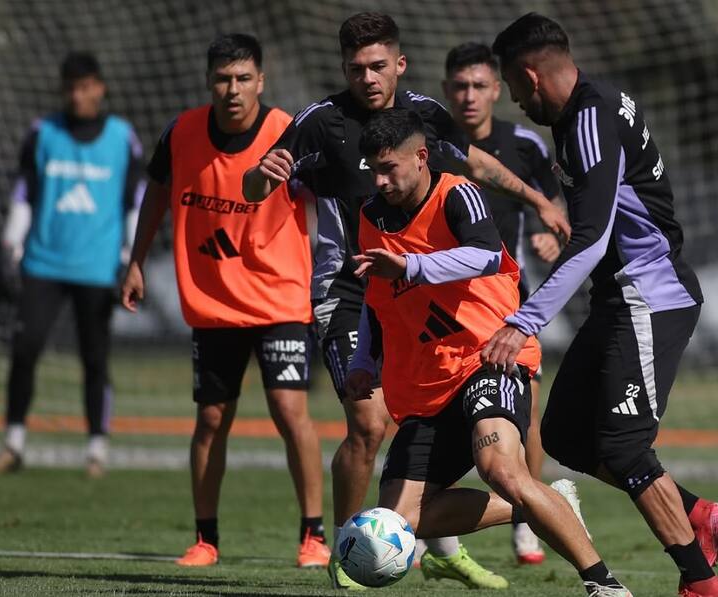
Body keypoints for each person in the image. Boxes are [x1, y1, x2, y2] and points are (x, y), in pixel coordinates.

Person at [243, 12, 570, 591]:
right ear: (343, 69)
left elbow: (474, 162)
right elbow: (259, 184)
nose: (366, 78)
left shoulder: (427, 116)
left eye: (376, 66)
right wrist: (258, 179)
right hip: (348, 292)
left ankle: (438, 546)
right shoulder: (318, 123)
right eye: (355, 68)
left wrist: (539, 200)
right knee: (369, 423)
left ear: (399, 64)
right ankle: (345, 545)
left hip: (419, 290)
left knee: (426, 421)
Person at [483, 13, 718, 597]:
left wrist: (524, 319)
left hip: (649, 295)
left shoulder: (589, 117)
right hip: (618, 297)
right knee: (568, 435)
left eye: (514, 88)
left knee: (623, 445)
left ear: (529, 74)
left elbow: (594, 235)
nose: (517, 101)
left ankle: (701, 584)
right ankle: (699, 515)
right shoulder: (593, 105)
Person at [344, 107, 633, 597]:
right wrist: (362, 361)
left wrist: (410, 266)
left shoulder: (458, 193)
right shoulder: (370, 215)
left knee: (501, 469)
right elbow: (375, 300)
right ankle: (542, 502)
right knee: (400, 521)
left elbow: (482, 254)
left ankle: (603, 584)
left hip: (486, 356)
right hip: (423, 383)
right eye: (372, 168)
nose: (380, 179)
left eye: (388, 167)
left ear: (420, 157)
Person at [120, 34, 330, 569]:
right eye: (222, 79)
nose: (232, 90)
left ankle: (313, 534)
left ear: (261, 81)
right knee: (212, 418)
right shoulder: (183, 131)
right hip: (213, 302)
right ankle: (205, 539)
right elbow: (157, 191)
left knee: (289, 410)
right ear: (209, 81)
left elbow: (328, 197)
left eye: (242, 79)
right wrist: (137, 260)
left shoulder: (290, 132)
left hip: (279, 295)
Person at [0, 51, 144, 479]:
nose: (78, 95)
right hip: (43, 262)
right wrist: (10, 245)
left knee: (95, 358)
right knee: (25, 349)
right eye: (71, 87)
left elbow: (134, 203)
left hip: (97, 265)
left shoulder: (121, 138)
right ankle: (13, 443)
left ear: (100, 87)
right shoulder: (43, 133)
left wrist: (131, 256)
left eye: (86, 86)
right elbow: (25, 193)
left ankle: (96, 449)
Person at [438, 41, 569, 565]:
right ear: (447, 91)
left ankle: (529, 517)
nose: (469, 96)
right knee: (432, 416)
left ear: (497, 89)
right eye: (459, 86)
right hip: (435, 307)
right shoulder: (427, 142)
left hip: (501, 306)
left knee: (526, 416)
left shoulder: (523, 146)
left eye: (479, 86)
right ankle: (439, 527)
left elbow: (554, 201)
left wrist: (553, 238)